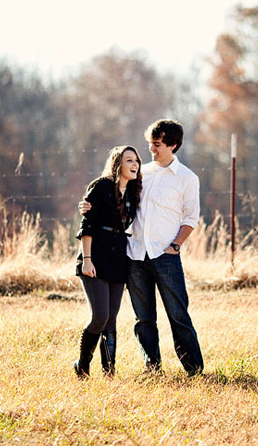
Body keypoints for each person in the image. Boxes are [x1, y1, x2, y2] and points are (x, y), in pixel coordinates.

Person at [80, 119, 204, 376]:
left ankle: (194, 369)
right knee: (144, 319)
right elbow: (110, 197)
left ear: (172, 144)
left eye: (156, 145)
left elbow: (190, 219)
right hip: (135, 256)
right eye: (150, 144)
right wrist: (86, 207)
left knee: (178, 315)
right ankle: (152, 368)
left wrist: (175, 246)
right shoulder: (140, 173)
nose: (151, 150)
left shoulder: (187, 179)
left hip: (166, 256)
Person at [73, 145, 142, 379]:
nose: (134, 165)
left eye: (137, 161)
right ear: (117, 164)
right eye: (129, 160)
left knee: (111, 320)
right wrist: (87, 259)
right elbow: (87, 224)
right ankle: (82, 365)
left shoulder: (133, 192)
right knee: (99, 317)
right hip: (96, 257)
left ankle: (109, 373)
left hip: (118, 259)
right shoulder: (101, 186)